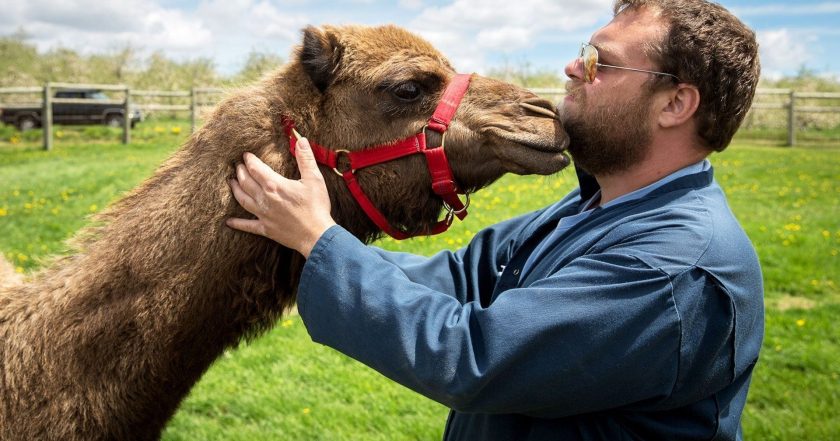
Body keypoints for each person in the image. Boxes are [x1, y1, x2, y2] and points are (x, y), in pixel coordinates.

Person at [226, 0, 764, 439]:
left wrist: (321, 242)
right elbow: (462, 277)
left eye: (601, 61)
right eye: (582, 53)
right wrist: (303, 246)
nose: (573, 67)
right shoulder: (595, 208)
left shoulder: (669, 269)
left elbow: (472, 356)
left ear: (675, 104)